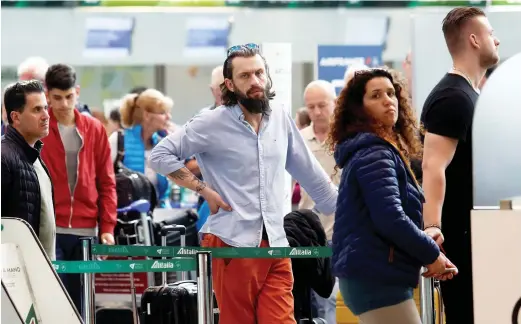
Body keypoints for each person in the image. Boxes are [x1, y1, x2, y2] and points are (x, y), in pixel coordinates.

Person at [149, 43, 338, 324]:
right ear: (230, 84)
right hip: (231, 242)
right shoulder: (211, 122)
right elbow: (160, 155)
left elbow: (314, 177)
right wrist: (203, 189)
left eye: (259, 73)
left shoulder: (280, 118)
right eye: (245, 76)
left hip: (276, 243)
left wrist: (352, 217)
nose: (255, 82)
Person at [327, 68, 457, 324]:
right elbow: (390, 218)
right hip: (376, 280)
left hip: (375, 276)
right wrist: (431, 254)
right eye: (375, 95)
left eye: (390, 93)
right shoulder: (375, 153)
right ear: (359, 109)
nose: (388, 100)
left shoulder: (375, 149)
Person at [421, 7, 500, 324]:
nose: (497, 38)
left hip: (481, 237)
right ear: (474, 40)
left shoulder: (471, 94)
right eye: (490, 32)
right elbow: (432, 166)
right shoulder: (452, 97)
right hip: (461, 243)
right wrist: (432, 228)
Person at [40, 64, 117, 314]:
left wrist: (107, 228)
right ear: (47, 93)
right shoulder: (39, 128)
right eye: (57, 98)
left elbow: (106, 181)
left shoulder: (94, 129)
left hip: (86, 230)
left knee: (81, 304)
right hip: (50, 227)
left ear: (78, 92)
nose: (63, 104)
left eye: (69, 97)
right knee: (53, 299)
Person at [1, 80, 56, 260]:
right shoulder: (4, 157)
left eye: (46, 108)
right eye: (37, 110)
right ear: (15, 117)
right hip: (13, 275)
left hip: (39, 271)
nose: (46, 116)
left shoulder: (34, 156)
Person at [300, 80, 340, 323]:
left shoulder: (347, 138)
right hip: (309, 232)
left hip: (341, 229)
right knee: (312, 300)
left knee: (333, 299)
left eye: (322, 105)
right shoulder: (299, 140)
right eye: (311, 107)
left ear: (334, 103)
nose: (316, 112)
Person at [108, 88, 173, 207]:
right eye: (163, 112)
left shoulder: (163, 144)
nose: (169, 117)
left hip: (157, 215)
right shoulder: (118, 140)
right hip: (126, 217)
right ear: (147, 115)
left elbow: (166, 190)